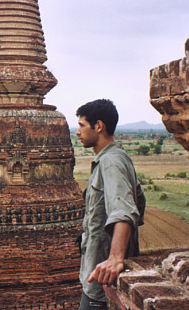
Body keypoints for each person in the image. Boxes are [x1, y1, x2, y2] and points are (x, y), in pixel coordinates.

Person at [76, 99, 145, 310]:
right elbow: (139, 201)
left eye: (81, 125)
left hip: (100, 282)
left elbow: (124, 210)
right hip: (96, 273)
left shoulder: (111, 162)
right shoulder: (117, 157)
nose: (78, 132)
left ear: (98, 126)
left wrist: (115, 258)